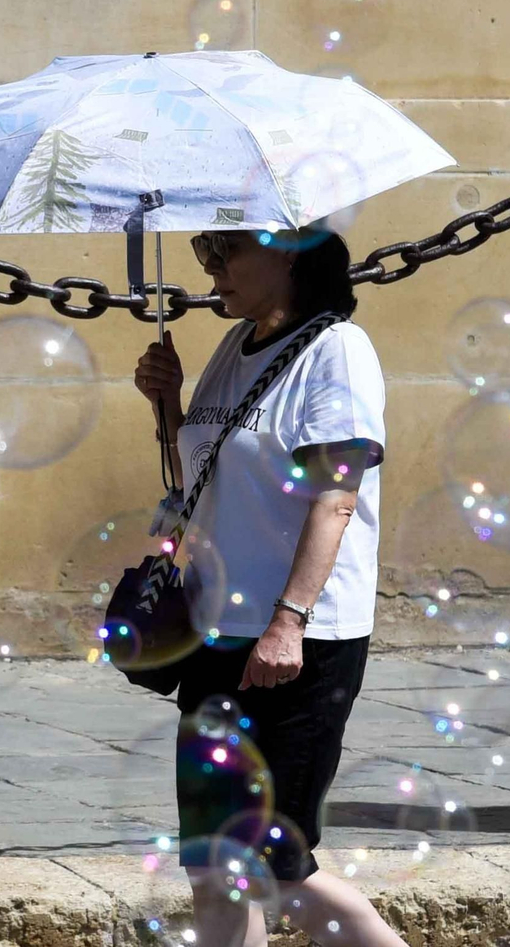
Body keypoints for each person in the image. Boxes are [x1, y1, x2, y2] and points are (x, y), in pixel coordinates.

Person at [133, 227, 406, 947]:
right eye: (204, 255)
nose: (212, 268)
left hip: (301, 641)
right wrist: (166, 406)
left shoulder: (336, 350)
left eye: (226, 251)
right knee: (212, 861)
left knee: (277, 863)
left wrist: (289, 619)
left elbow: (334, 498)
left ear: (287, 252)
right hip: (216, 626)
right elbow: (204, 481)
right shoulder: (235, 347)